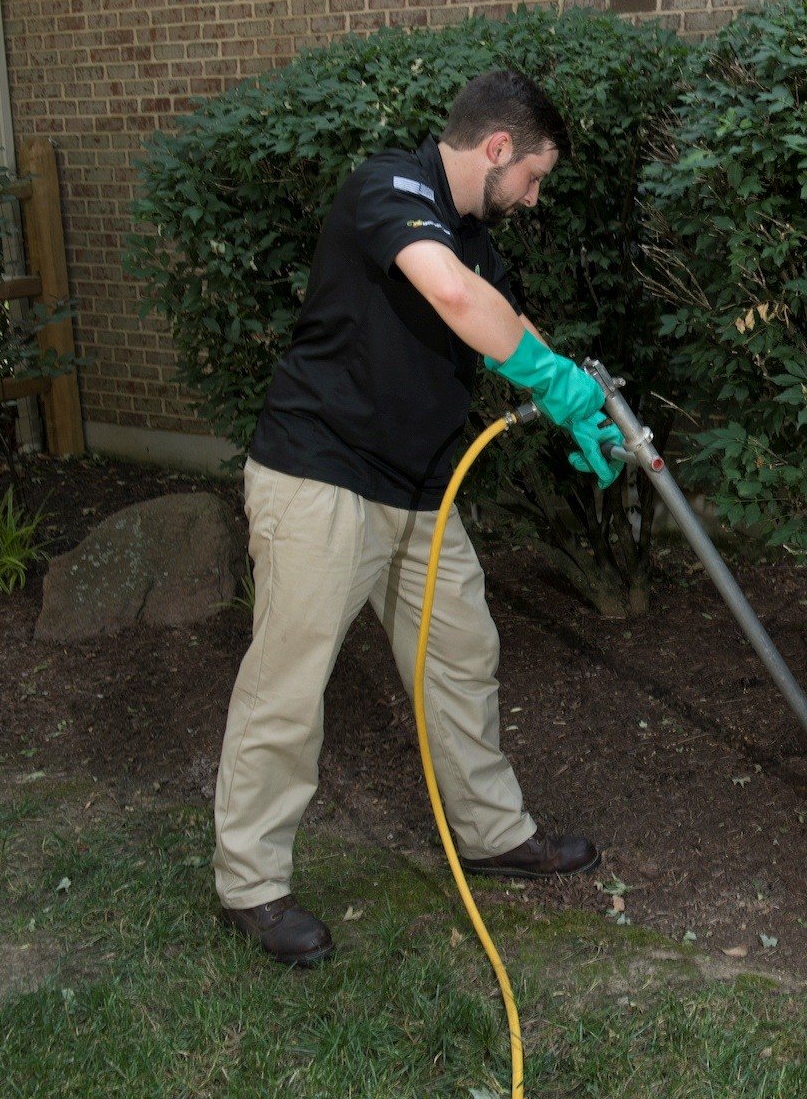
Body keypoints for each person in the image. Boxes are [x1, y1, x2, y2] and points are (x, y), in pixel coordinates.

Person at [212, 69, 621, 966]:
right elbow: (450, 296)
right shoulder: (389, 189)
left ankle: (491, 835)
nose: (534, 197)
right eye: (534, 177)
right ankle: (250, 884)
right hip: (321, 480)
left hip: (420, 489)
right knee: (288, 684)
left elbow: (503, 316)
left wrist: (578, 402)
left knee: (462, 658)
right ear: (498, 148)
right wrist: (546, 381)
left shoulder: (472, 234)